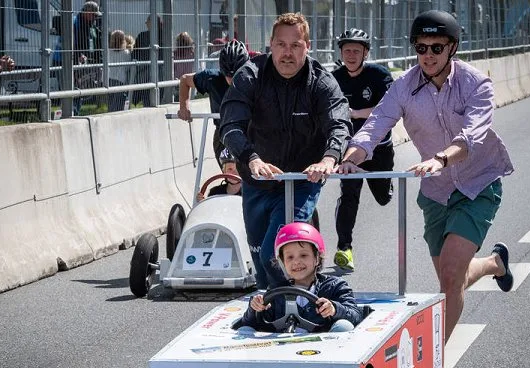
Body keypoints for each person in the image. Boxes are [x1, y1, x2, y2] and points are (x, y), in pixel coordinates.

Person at [337, 10, 514, 343]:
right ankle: (493, 263)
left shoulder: (476, 83)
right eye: (421, 48)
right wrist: (352, 156)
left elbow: (473, 133)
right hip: (436, 191)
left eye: (436, 47)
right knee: (452, 279)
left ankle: (433, 367)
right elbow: (377, 122)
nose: (428, 55)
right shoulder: (405, 85)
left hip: (478, 184)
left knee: (450, 276)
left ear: (452, 48)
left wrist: (441, 158)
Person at [219, 12, 351, 289]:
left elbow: (339, 124)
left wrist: (329, 158)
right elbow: (230, 126)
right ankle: (274, 313)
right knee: (259, 258)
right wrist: (251, 159)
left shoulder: (321, 82)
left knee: (274, 255)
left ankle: (296, 307)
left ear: (308, 46)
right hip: (257, 181)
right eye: (281, 45)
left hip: (301, 182)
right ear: (271, 44)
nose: (287, 53)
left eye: (295, 45)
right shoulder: (250, 75)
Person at [332, 29, 395, 272]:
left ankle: (386, 185)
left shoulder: (379, 76)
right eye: (346, 50)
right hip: (350, 151)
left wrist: (357, 113)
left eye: (356, 51)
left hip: (379, 148)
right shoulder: (335, 78)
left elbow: (389, 110)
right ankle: (344, 248)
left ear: (365, 53)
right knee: (349, 196)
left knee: (383, 198)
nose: (350, 55)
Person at [238, 222, 362, 334]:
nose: (296, 262)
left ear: (317, 258)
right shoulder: (276, 291)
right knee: (244, 331)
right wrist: (255, 308)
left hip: (323, 351)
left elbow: (356, 315)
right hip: (281, 351)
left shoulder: (335, 287)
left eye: (303, 255)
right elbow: (250, 323)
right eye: (290, 257)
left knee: (344, 326)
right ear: (282, 262)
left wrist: (334, 309)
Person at [177, 40, 250, 164]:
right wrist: (184, 106)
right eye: (228, 75)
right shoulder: (212, 78)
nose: (232, 80)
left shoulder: (253, 79)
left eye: (237, 74)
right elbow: (185, 80)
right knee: (230, 173)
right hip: (223, 133)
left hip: (249, 131)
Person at [72, 1, 102, 115]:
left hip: (84, 64)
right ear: (87, 12)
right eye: (94, 15)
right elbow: (70, 43)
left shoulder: (92, 25)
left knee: (79, 92)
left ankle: (75, 114)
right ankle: (71, 115)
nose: (95, 18)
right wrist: (77, 55)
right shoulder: (76, 22)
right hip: (70, 62)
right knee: (72, 92)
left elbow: (95, 43)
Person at [131, 14, 164, 107]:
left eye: (147, 22)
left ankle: (148, 105)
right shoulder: (164, 34)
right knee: (155, 92)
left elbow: (135, 53)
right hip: (158, 68)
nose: (146, 24)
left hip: (147, 68)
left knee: (147, 91)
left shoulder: (143, 35)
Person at [107, 30, 130, 112]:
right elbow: (127, 68)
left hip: (109, 79)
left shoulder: (108, 52)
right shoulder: (126, 53)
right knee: (118, 103)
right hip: (120, 79)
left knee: (110, 102)